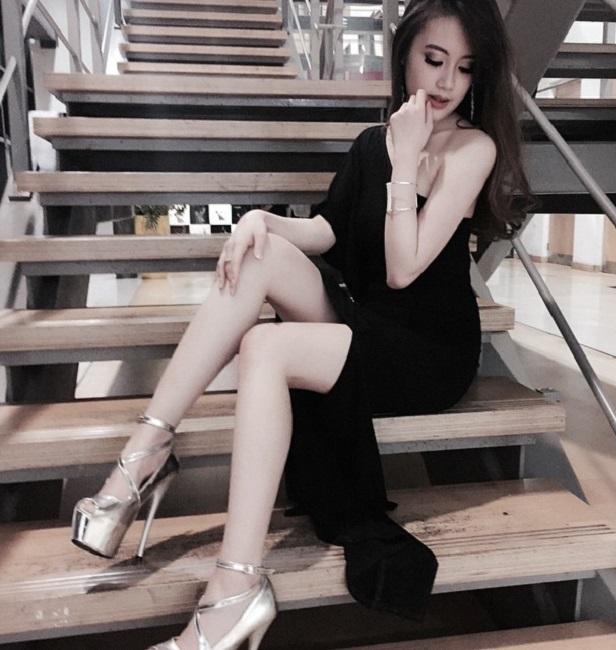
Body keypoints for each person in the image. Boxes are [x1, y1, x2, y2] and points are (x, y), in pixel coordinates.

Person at [70, 0, 533, 648]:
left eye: (464, 67)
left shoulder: (471, 149)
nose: (446, 81)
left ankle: (234, 586)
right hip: (365, 322)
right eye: (433, 60)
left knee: (265, 345)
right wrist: (259, 220)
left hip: (426, 349)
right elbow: (327, 229)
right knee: (257, 252)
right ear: (404, 54)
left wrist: (406, 161)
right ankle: (143, 455)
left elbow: (403, 269)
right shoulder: (373, 143)